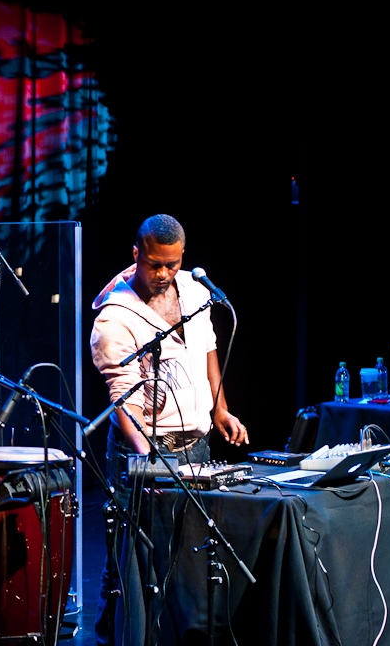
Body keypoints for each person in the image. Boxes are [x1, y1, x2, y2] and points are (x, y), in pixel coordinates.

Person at [89, 214, 247, 644]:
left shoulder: (195, 292)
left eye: (172, 264)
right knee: (130, 557)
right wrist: (145, 455)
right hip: (147, 451)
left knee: (184, 553)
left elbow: (208, 351)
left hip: (196, 447)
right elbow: (123, 397)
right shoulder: (113, 317)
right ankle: (113, 634)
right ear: (136, 254)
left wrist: (220, 411)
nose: (163, 274)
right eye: (155, 264)